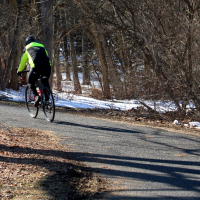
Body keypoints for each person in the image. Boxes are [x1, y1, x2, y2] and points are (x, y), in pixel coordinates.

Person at [17, 36, 51, 107]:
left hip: (36, 67)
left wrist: (19, 70)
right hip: (47, 67)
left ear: (27, 43)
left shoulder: (27, 48)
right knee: (45, 81)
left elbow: (23, 61)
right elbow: (47, 56)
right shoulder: (42, 46)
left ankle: (36, 96)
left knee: (30, 81)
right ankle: (48, 100)